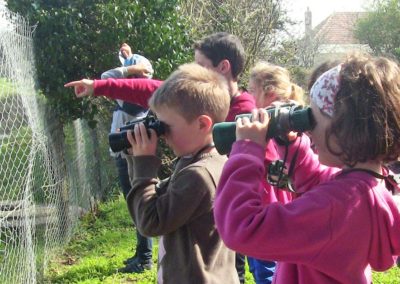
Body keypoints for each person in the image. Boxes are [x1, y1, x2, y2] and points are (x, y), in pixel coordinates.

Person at [214, 54, 400, 283]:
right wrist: (290, 142)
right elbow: (317, 179)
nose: (309, 130)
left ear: (344, 130)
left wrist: (247, 150)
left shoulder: (335, 207)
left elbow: (242, 227)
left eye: (313, 119)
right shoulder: (365, 187)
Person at [124, 63, 239, 283]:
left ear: (202, 124)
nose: (163, 135)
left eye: (166, 126)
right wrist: (137, 159)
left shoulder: (198, 175)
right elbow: (155, 197)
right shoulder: (209, 160)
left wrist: (143, 163)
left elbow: (150, 221)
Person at [244, 62, 305, 283]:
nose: (248, 95)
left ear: (268, 92)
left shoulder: (272, 122)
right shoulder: (286, 117)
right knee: (265, 266)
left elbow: (270, 160)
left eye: (252, 90)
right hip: (274, 205)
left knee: (266, 270)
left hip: (268, 207)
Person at [100, 43, 154, 273]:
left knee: (138, 205)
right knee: (136, 205)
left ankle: (145, 257)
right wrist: (129, 59)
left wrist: (131, 67)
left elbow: (106, 77)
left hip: (129, 156)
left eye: (131, 72)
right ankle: (142, 253)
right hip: (127, 154)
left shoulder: (135, 95)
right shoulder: (137, 93)